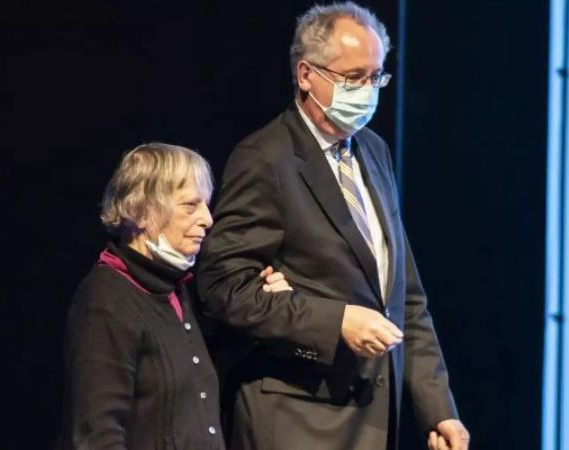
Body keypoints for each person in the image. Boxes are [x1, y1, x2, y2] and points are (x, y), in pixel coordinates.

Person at [196, 3, 470, 450]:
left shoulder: (374, 152)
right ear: (306, 75)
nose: (367, 90)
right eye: (352, 78)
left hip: (371, 422)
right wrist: (335, 320)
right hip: (296, 420)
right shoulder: (266, 159)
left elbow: (404, 296)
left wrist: (437, 409)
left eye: (375, 77)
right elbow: (222, 286)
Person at [56, 143, 291, 450]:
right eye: (190, 205)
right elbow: (95, 433)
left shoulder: (173, 289)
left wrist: (263, 306)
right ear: (140, 211)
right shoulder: (106, 297)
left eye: (206, 204)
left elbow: (195, 381)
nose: (208, 219)